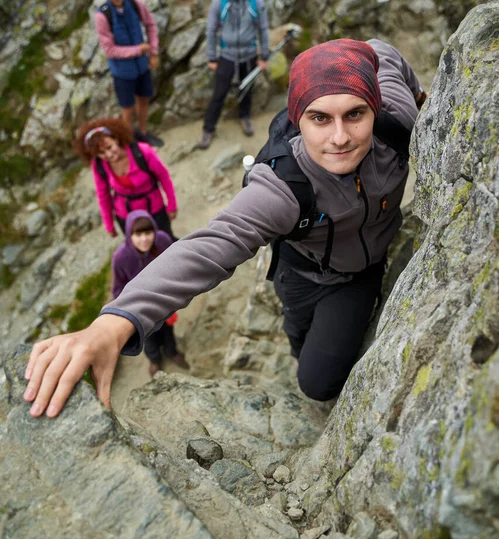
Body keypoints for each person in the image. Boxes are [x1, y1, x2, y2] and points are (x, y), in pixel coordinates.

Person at [25, 38, 426, 418]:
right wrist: (114, 323)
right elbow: (211, 246)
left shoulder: (397, 120)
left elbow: (383, 53)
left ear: (375, 107)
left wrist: (420, 93)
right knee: (299, 337)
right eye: (319, 118)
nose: (339, 137)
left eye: (355, 114)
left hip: (359, 276)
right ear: (297, 119)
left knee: (317, 382)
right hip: (301, 274)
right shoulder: (284, 187)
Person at [73, 117, 178, 240]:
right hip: (126, 216)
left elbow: (163, 177)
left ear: (116, 139)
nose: (109, 155)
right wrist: (109, 224)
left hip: (155, 210)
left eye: (109, 147)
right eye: (101, 153)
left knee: (165, 242)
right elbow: (103, 195)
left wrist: (172, 205)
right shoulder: (98, 166)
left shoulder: (143, 152)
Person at [112, 210, 189, 375]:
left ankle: (171, 351)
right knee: (148, 337)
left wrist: (173, 297)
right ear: (128, 235)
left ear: (154, 230)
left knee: (168, 331)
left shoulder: (163, 240)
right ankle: (154, 360)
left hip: (164, 301)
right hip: (139, 309)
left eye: (148, 232)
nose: (144, 239)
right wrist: (131, 311)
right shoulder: (120, 258)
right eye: (137, 234)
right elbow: (118, 289)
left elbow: (175, 268)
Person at [198, 0, 270, 149]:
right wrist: (212, 57)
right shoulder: (219, 4)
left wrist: (264, 55)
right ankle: (208, 128)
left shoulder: (256, 4)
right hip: (227, 55)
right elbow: (211, 30)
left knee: (247, 90)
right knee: (219, 93)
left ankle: (245, 117)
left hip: (249, 55)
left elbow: (263, 29)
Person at [95, 0, 164, 147]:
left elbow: (150, 25)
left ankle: (143, 135)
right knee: (127, 108)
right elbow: (110, 50)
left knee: (144, 99)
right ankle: (130, 142)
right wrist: (138, 50)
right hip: (122, 71)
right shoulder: (102, 15)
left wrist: (153, 53)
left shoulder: (136, 4)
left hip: (142, 66)